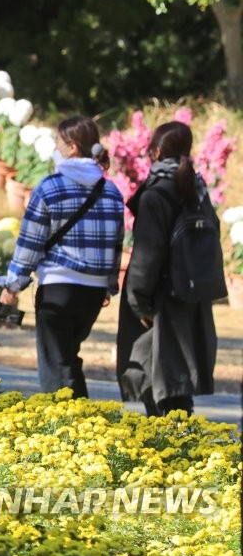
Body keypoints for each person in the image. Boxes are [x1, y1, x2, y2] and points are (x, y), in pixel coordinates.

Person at [0, 115, 125, 398]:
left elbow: (29, 243)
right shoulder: (112, 191)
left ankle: (65, 429)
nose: (56, 148)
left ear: (73, 148)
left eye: (59, 143)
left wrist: (12, 285)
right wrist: (108, 285)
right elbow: (116, 244)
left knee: (55, 364)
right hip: (92, 293)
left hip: (58, 288)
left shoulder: (50, 187)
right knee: (66, 356)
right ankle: (85, 424)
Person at [116, 121, 219, 416]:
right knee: (177, 387)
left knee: (156, 385)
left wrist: (138, 304)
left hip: (159, 302)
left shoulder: (156, 194)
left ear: (157, 151)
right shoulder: (197, 190)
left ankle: (168, 454)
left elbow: (148, 254)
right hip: (191, 295)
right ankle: (182, 451)